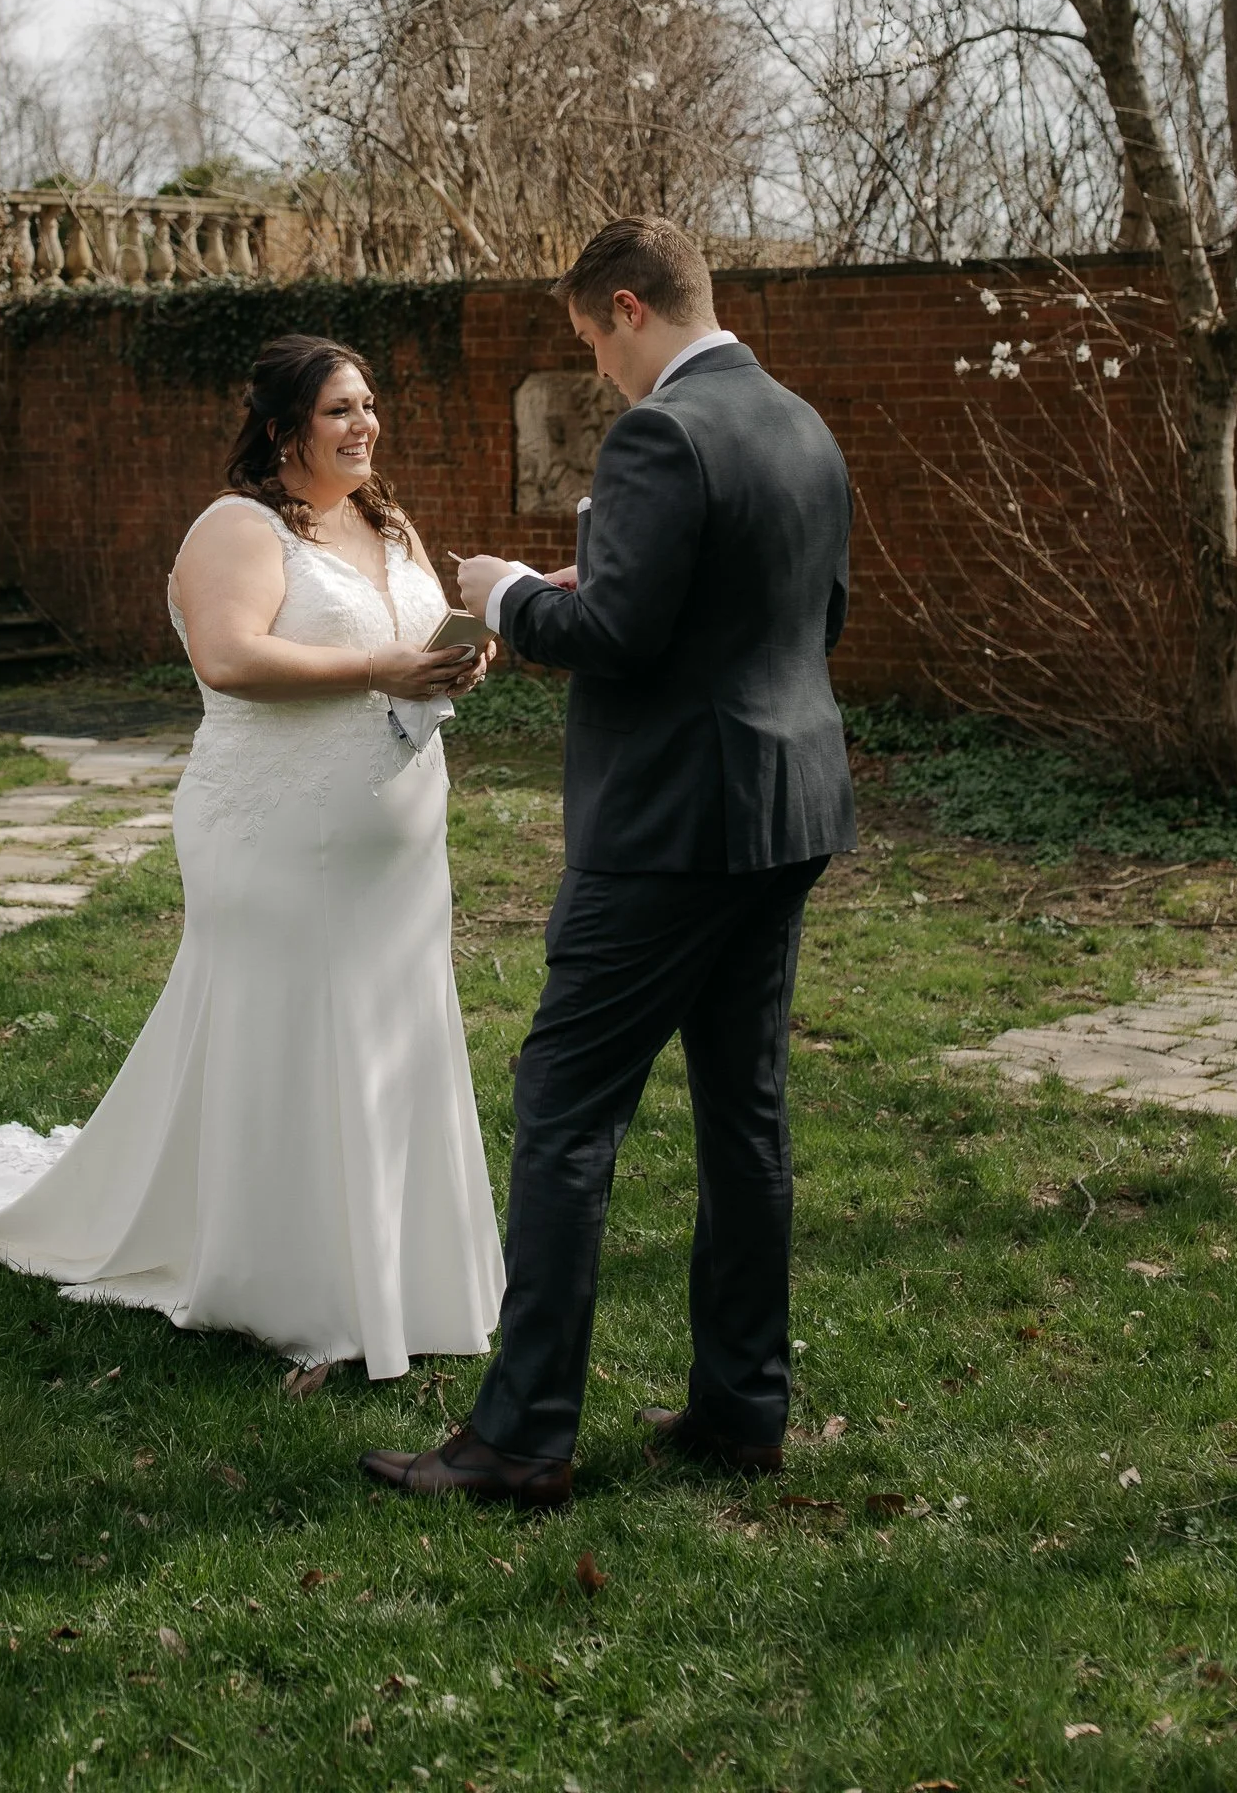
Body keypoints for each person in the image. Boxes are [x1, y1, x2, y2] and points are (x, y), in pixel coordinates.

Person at [0, 333, 505, 1381]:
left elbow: (406, 644)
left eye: (368, 405)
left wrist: (453, 660)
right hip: (272, 831)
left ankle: (403, 1268)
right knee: (289, 1031)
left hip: (392, 839)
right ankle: (285, 1278)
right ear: (281, 429)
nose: (366, 426)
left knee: (388, 1031)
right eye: (340, 411)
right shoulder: (237, 528)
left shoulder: (383, 519)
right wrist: (378, 668)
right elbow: (231, 657)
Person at [361, 217, 855, 1509]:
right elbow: (805, 614)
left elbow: (619, 637)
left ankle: (522, 1437)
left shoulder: (660, 433)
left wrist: (511, 590)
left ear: (629, 309)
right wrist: (613, 585)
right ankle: (745, 1408)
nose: (602, 377)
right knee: (745, 1115)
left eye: (593, 345)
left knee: (568, 1108)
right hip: (787, 812)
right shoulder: (800, 423)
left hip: (669, 832)